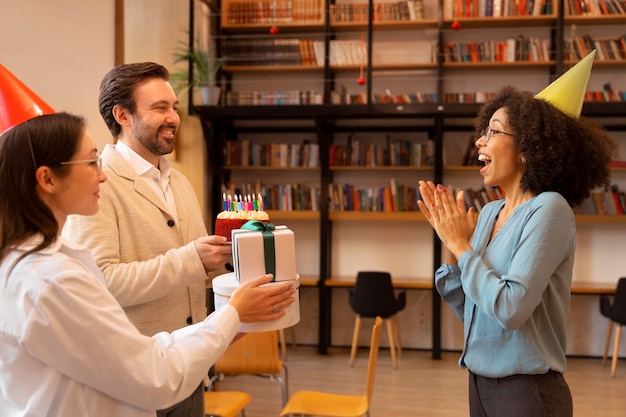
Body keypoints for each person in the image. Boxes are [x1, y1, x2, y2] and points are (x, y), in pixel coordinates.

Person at [0, 111, 296, 417]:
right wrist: (230, 315)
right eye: (90, 162)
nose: (101, 174)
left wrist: (221, 324)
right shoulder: (50, 279)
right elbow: (152, 375)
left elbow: (132, 351)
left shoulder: (48, 263)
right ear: (47, 179)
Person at [417, 53, 617, 417]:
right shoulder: (491, 211)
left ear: (526, 148)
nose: (480, 141)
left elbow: (510, 309)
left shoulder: (550, 209)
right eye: (483, 130)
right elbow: (472, 309)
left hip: (527, 392)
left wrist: (462, 247)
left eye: (492, 131)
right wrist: (451, 243)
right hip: (478, 383)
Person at [62, 62, 230, 416]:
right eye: (160, 108)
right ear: (122, 115)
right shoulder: (97, 186)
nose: (174, 118)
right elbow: (102, 282)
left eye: (174, 108)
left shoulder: (179, 182)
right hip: (133, 379)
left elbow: (198, 271)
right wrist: (193, 260)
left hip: (188, 367)